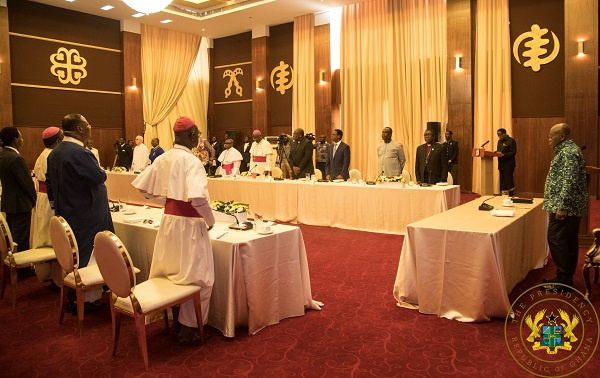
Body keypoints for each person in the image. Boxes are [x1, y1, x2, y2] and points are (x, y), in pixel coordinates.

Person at [132, 116, 215, 344]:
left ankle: (176, 321)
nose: (198, 140)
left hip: (169, 221)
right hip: (190, 224)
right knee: (198, 276)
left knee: (172, 273)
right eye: (197, 135)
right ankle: (189, 328)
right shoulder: (192, 162)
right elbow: (197, 197)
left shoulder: (163, 158)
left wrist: (169, 202)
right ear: (189, 136)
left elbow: (144, 190)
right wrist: (211, 220)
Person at [46, 114, 114, 268]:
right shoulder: (80, 153)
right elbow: (99, 176)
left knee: (73, 253)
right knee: (88, 254)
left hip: (67, 210)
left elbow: (49, 183)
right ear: (79, 128)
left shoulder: (54, 153)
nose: (90, 128)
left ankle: (75, 285)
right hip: (87, 215)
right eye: (88, 125)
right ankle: (89, 288)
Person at [542, 123, 587, 290]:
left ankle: (564, 279)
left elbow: (569, 181)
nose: (549, 140)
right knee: (567, 241)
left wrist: (562, 206)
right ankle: (565, 278)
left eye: (551, 136)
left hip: (566, 208)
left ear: (561, 136)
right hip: (569, 206)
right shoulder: (568, 151)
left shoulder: (568, 153)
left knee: (557, 240)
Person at [0, 126, 36, 252]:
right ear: (15, 139)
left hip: (9, 202)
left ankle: (12, 261)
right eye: (21, 137)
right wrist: (33, 200)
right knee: (21, 238)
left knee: (11, 237)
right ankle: (23, 268)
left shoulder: (3, 155)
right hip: (20, 204)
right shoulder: (16, 158)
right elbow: (26, 183)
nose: (22, 140)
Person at [32, 127, 64, 249]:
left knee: (42, 230)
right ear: (57, 142)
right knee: (49, 235)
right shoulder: (52, 156)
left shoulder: (42, 154)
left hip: (41, 196)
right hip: (49, 198)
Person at [495, 128, 516, 194]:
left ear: (505, 134)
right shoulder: (499, 142)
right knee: (502, 181)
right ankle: (503, 195)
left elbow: (513, 152)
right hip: (501, 164)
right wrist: (496, 153)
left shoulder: (511, 141)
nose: (499, 137)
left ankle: (510, 195)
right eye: (498, 135)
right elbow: (499, 150)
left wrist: (503, 154)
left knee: (508, 180)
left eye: (500, 135)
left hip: (509, 164)